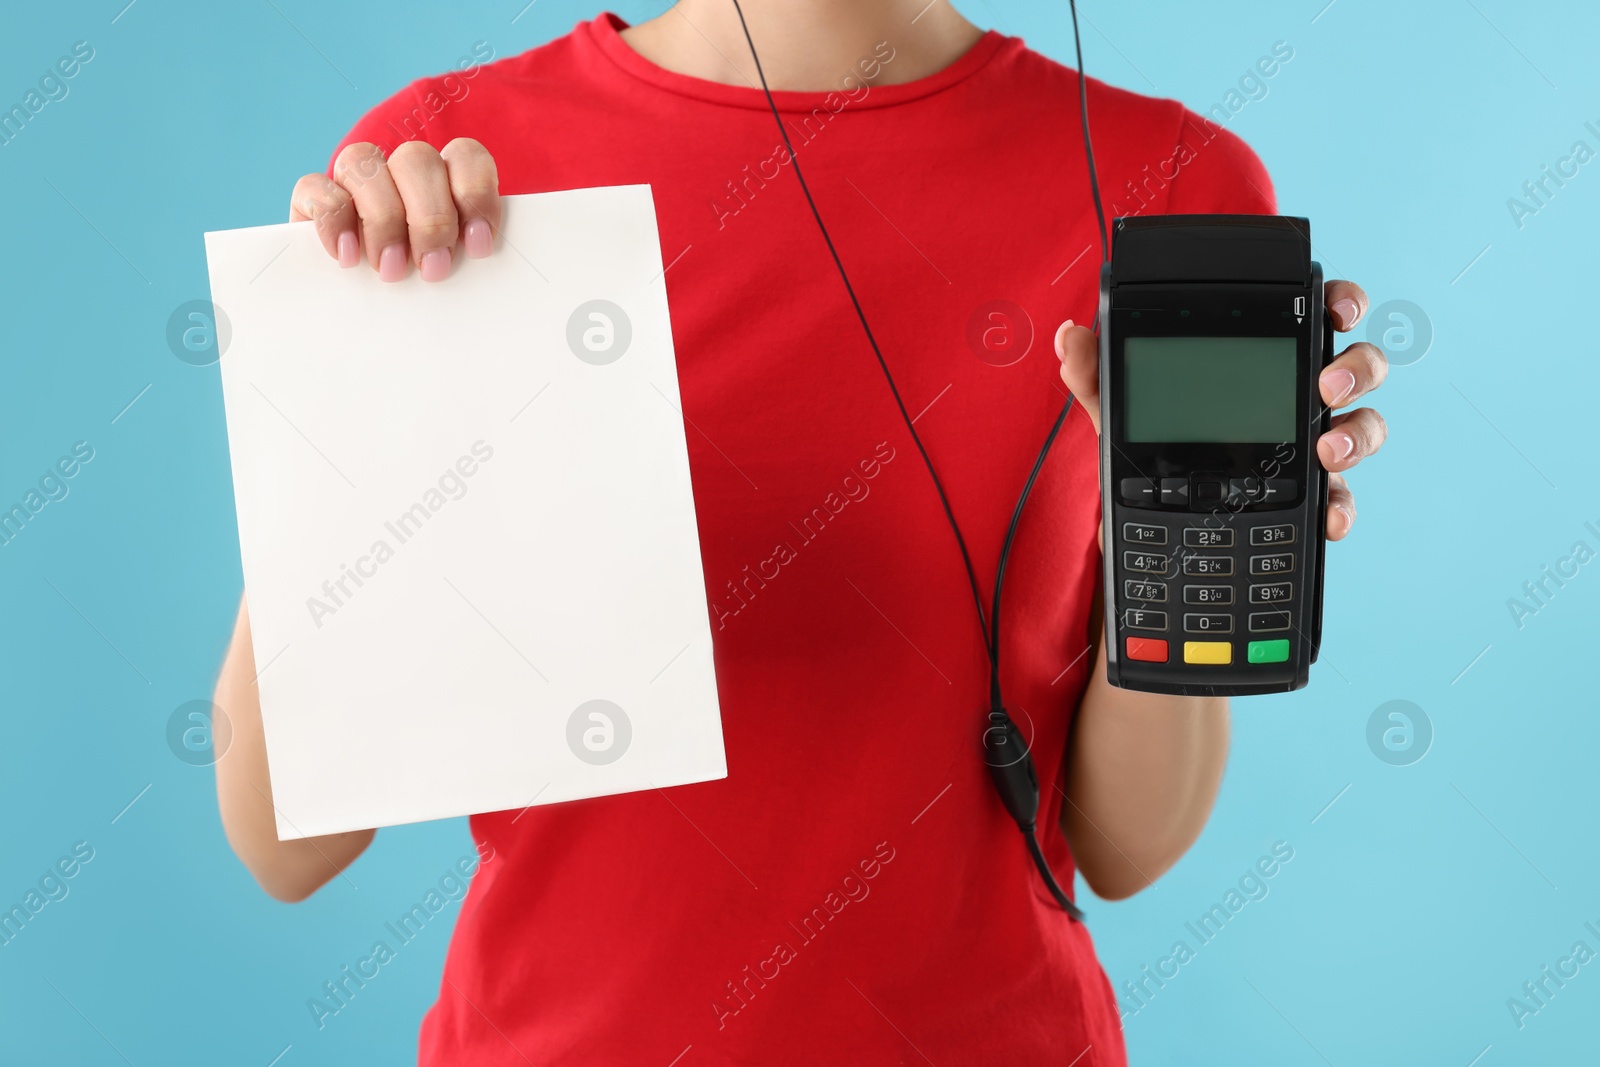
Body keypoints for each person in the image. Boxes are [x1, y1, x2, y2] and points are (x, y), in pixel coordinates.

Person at [212, 2, 1388, 1063]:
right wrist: (343, 421)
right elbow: (283, 844)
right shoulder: (453, 163)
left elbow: (1123, 845)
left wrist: (1201, 536)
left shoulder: (1169, 183)